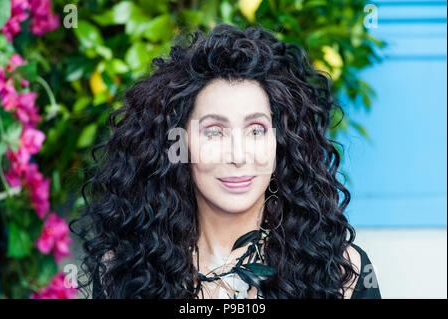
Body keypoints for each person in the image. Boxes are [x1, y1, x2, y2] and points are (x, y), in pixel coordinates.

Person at [70, 23, 381, 299]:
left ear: (279, 143)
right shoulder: (123, 271)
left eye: (256, 130)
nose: (237, 155)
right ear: (180, 143)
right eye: (214, 132)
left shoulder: (343, 273)